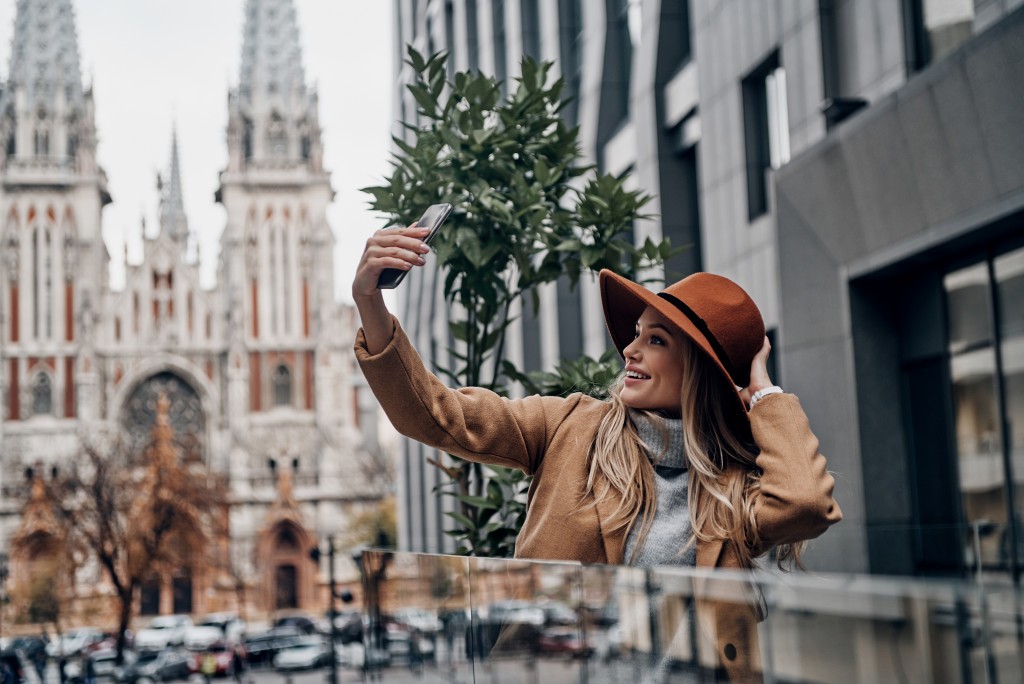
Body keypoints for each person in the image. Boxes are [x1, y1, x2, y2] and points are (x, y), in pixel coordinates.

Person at [352, 223, 842, 681]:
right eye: (635, 335)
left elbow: (805, 504)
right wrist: (370, 303)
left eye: (655, 340)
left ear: (698, 371)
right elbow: (436, 416)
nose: (630, 350)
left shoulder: (729, 488)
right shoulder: (567, 425)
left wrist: (766, 399)